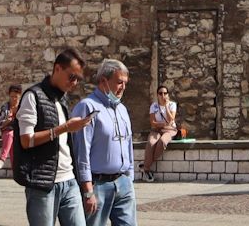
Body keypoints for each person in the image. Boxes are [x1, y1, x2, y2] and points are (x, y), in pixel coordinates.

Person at [14, 48, 95, 226]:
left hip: (69, 180)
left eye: (78, 79)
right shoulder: (32, 96)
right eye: (71, 76)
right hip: (42, 185)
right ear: (57, 68)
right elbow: (26, 140)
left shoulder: (62, 99)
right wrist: (64, 127)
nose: (74, 83)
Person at [70, 59, 136, 226]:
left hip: (123, 183)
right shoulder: (87, 107)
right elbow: (81, 153)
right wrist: (87, 191)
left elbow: (128, 144)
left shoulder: (122, 109)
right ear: (103, 81)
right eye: (119, 82)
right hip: (97, 185)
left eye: (125, 83)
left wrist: (130, 177)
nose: (123, 88)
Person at [139, 84, 178, 182]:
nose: (163, 95)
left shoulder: (172, 105)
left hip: (170, 130)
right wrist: (163, 124)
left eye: (165, 93)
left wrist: (166, 107)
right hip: (156, 130)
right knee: (151, 143)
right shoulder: (154, 106)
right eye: (160, 93)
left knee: (162, 142)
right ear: (157, 95)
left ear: (168, 95)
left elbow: (171, 119)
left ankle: (146, 166)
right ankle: (147, 168)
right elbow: (152, 123)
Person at [0, 83, 22, 171]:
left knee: (12, 147)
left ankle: (3, 160)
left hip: (20, 132)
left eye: (16, 97)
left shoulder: (22, 107)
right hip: (7, 132)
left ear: (20, 96)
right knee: (10, 135)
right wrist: (8, 120)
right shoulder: (5, 107)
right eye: (11, 96)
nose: (13, 99)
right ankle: (3, 159)